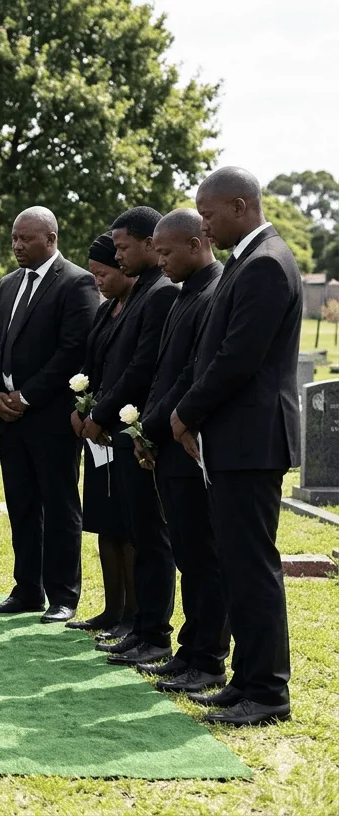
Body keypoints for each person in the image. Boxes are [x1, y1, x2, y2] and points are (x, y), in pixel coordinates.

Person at [172, 167, 301, 726]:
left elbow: (239, 357)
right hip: (235, 439)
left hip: (251, 439)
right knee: (238, 561)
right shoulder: (250, 260)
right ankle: (246, 680)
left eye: (209, 211)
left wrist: (186, 411)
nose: (203, 221)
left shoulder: (267, 263)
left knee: (252, 566)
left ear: (241, 205)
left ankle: (268, 691)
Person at [0, 207, 98, 623]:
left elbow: (72, 351)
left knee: (59, 503)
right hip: (9, 417)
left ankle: (63, 594)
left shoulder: (77, 282)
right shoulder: (9, 284)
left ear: (50, 238)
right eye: (14, 238)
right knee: (22, 503)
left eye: (25, 239)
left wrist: (26, 396)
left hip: (49, 416)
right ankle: (27, 588)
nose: (16, 246)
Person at [79, 207, 179, 668]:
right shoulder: (139, 294)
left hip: (131, 428)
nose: (117, 259)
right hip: (113, 428)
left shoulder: (158, 295)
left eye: (121, 248)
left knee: (148, 536)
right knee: (121, 525)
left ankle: (150, 629)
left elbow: (141, 368)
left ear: (146, 243)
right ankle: (135, 623)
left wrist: (100, 414)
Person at [134, 208, 229, 693]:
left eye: (167, 251)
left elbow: (193, 374)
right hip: (165, 437)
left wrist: (152, 427)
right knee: (189, 554)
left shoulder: (212, 292)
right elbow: (161, 373)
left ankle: (209, 658)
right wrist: (146, 432)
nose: (160, 259)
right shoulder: (183, 292)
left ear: (196, 244)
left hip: (186, 439)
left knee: (203, 556)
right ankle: (190, 650)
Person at [67, 234, 137, 640]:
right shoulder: (106, 309)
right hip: (96, 434)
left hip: (120, 429)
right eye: (93, 274)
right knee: (104, 525)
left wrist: (103, 415)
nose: (98, 281)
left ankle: (133, 615)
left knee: (128, 529)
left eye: (103, 273)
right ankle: (112, 610)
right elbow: (89, 364)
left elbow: (135, 370)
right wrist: (81, 411)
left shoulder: (144, 303)